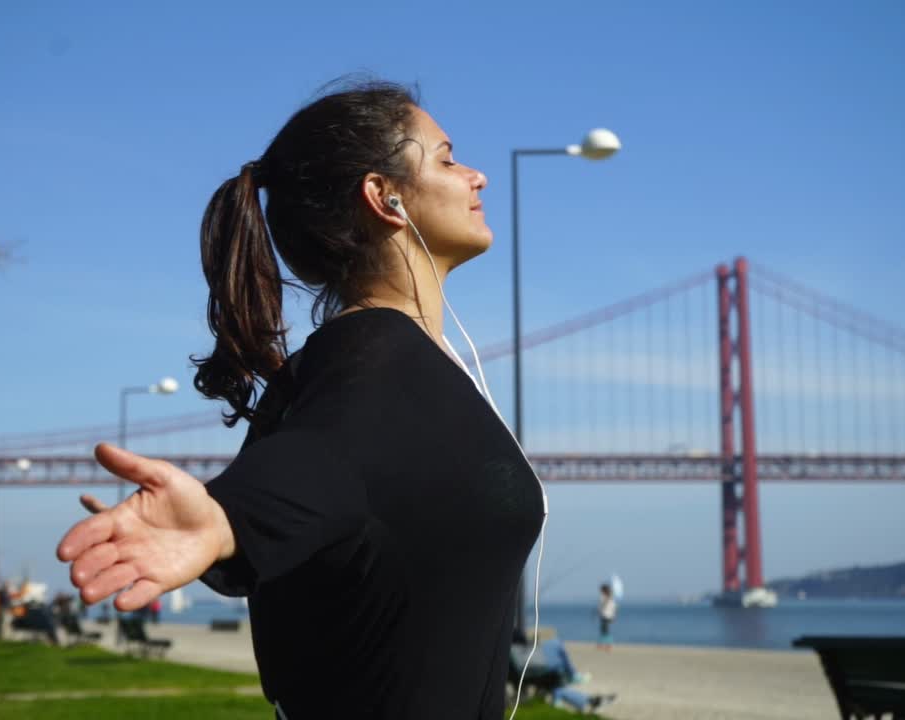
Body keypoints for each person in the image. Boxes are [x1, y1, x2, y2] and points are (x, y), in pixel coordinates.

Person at [56, 78, 545, 719]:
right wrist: (227, 518)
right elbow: (320, 462)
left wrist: (229, 520)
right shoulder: (376, 366)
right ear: (385, 197)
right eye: (448, 158)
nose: (476, 176)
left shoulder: (376, 359)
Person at [597, 583, 617, 651]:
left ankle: (607, 645)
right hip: (608, 616)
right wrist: (614, 616)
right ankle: (603, 644)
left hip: (606, 615)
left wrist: (600, 610)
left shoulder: (606, 597)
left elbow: (603, 606)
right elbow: (614, 608)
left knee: (605, 631)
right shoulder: (610, 597)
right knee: (604, 630)